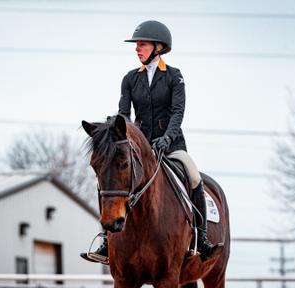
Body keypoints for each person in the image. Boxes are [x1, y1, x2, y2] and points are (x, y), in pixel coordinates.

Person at [81, 20, 219, 264]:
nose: (137, 49)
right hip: (141, 148)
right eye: (137, 46)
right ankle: (106, 239)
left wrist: (167, 138)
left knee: (194, 176)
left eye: (142, 45)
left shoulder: (174, 77)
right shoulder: (130, 79)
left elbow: (178, 112)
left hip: (172, 145)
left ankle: (201, 238)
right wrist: (120, 133)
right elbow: (124, 114)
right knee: (111, 176)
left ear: (158, 47)